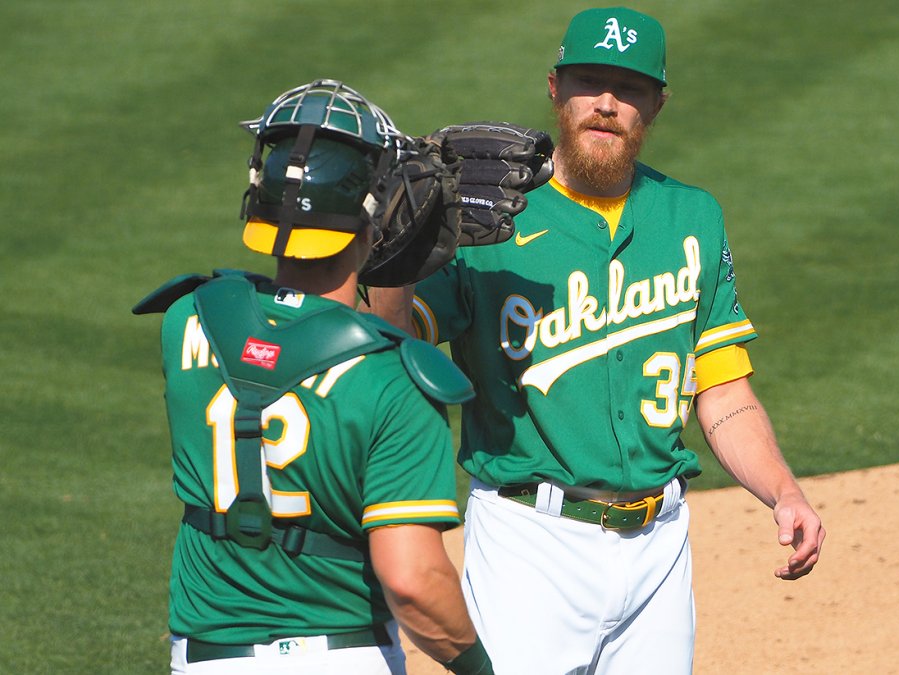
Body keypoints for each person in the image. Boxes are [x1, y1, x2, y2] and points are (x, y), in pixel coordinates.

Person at [384, 8, 827, 674]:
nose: (608, 103)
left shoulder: (691, 217)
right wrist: (402, 252)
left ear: (657, 104)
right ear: (556, 87)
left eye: (630, 88)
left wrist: (784, 491)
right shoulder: (485, 224)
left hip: (660, 548)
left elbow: (724, 390)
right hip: (530, 544)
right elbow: (389, 339)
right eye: (590, 81)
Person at [133, 80, 493, 675]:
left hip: (205, 659)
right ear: (375, 217)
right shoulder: (394, 381)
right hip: (341, 655)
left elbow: (282, 334)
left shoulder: (185, 321)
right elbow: (412, 581)